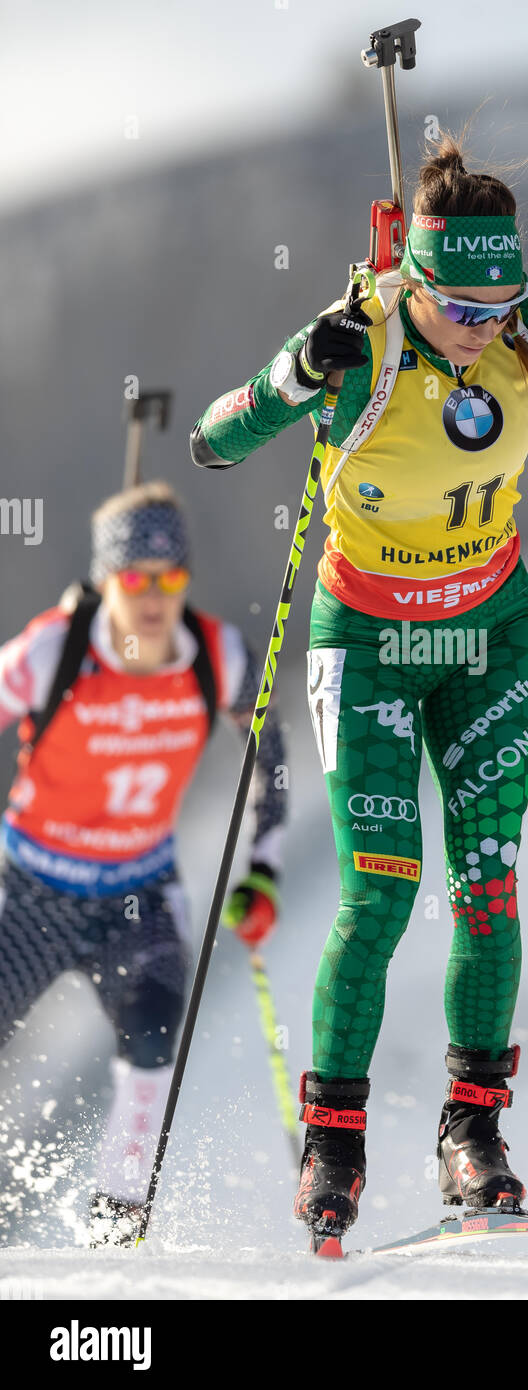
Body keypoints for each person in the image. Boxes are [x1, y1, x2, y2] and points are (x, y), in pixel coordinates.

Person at [190, 134, 528, 1246]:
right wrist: (294, 377)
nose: (480, 328)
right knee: (377, 886)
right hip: (365, 639)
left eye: (496, 303)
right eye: (458, 307)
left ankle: (474, 1133)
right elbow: (215, 440)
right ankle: (333, 1143)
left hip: (486, 635)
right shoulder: (359, 337)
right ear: (412, 279)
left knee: (487, 884)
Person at [0, 481, 288, 1245]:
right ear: (105, 582)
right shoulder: (52, 650)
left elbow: (273, 761)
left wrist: (262, 868)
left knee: (156, 1040)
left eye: (169, 578)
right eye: (134, 579)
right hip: (32, 890)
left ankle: (116, 1221)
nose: (153, 597)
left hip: (139, 894)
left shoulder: (218, 656)